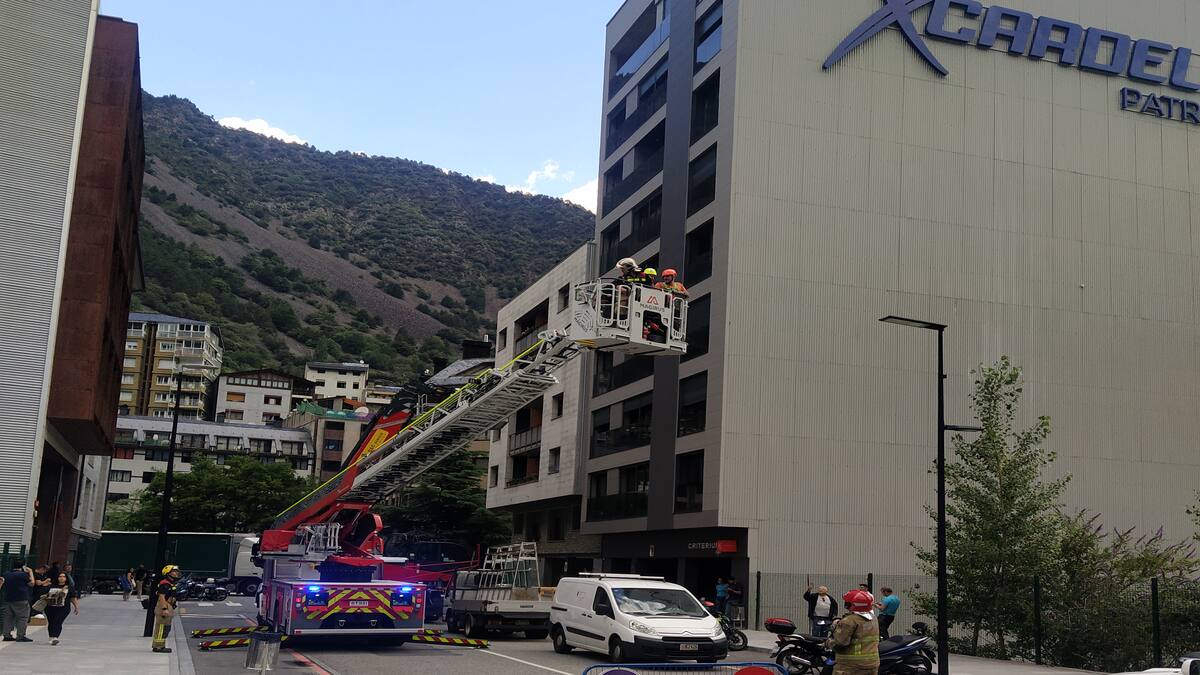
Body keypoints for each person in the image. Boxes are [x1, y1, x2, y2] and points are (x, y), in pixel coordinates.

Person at [827, 589, 880, 675]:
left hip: (851, 665)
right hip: (872, 664)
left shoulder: (849, 621)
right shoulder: (874, 618)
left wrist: (828, 642)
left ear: (850, 605)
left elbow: (840, 643)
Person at [1, 559, 35, 642]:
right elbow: (32, 583)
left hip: (8, 598)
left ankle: (7, 635)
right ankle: (20, 636)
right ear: (23, 566)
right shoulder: (23, 575)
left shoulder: (6, 574)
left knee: (8, 617)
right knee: (23, 617)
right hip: (21, 598)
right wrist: (30, 572)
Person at [42, 572, 79, 646]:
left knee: (58, 621)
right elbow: (44, 595)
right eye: (60, 576)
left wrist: (76, 607)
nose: (62, 578)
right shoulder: (51, 586)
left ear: (66, 578)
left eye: (63, 576)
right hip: (50, 607)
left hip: (63, 608)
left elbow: (73, 598)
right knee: (51, 622)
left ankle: (55, 637)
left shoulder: (69, 587)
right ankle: (51, 637)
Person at [152, 565, 182, 653]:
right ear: (167, 573)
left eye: (177, 571)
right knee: (162, 628)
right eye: (174, 571)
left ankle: (160, 646)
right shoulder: (165, 583)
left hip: (168, 605)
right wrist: (164, 609)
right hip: (164, 606)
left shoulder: (171, 583)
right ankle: (158, 647)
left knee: (165, 627)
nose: (176, 573)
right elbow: (161, 596)